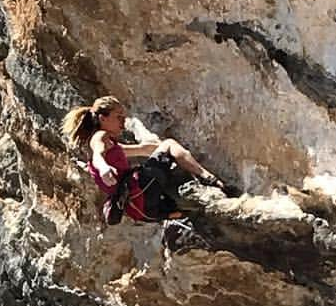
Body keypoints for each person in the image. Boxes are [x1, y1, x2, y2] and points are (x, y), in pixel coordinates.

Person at [60, 96, 226, 225]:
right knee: (169, 144)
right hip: (141, 190)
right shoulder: (99, 137)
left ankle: (190, 211)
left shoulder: (114, 148)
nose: (123, 123)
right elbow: (98, 155)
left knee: (186, 208)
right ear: (103, 119)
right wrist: (103, 169)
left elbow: (143, 149)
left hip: (142, 210)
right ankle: (209, 178)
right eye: (118, 117)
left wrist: (154, 144)